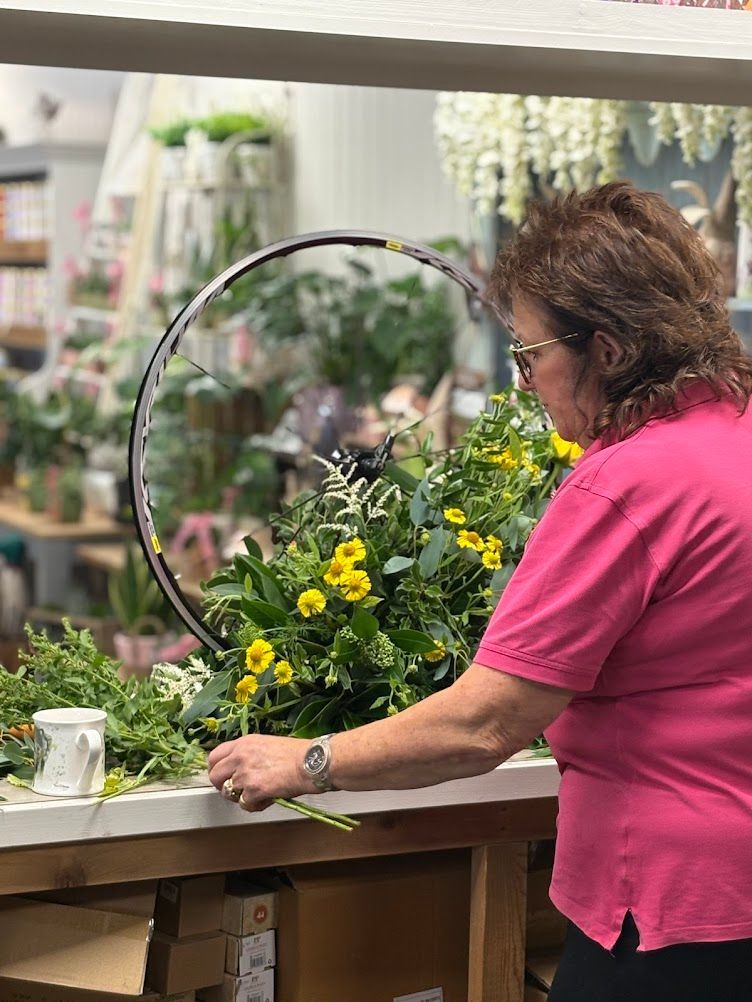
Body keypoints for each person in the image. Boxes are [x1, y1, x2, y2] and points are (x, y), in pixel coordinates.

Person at [208, 180, 752, 1001]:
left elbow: (484, 724)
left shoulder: (627, 487)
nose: (525, 381)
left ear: (605, 350)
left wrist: (305, 760)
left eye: (531, 354)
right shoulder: (737, 437)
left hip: (673, 908)